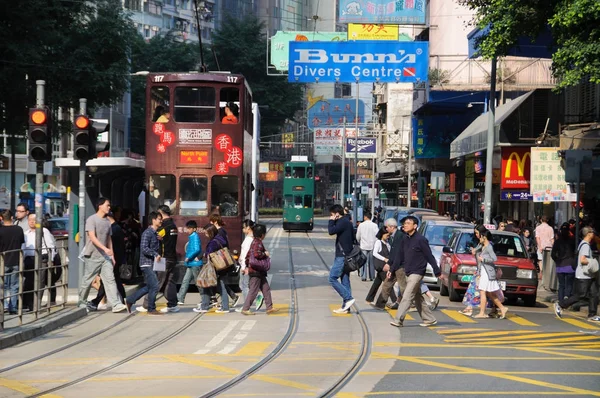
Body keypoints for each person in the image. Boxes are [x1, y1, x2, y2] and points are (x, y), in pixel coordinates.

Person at [389, 216, 441, 327]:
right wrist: (392, 269)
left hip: (417, 272)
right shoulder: (405, 239)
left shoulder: (421, 240)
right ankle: (429, 319)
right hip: (408, 271)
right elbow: (399, 256)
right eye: (404, 223)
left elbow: (429, 256)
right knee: (417, 297)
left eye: (408, 223)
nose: (405, 225)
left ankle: (398, 320)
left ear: (415, 226)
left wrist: (437, 271)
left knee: (407, 295)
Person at [78, 198, 126, 313]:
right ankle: (82, 301)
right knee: (88, 280)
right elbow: (92, 237)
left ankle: (116, 304)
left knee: (110, 279)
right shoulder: (91, 220)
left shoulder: (107, 222)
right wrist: (105, 248)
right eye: (107, 205)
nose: (109, 208)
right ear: (100, 205)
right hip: (92, 255)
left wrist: (112, 255)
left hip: (105, 257)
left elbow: (109, 239)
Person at [555, 227, 600, 322]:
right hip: (583, 275)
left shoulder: (584, 244)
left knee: (594, 294)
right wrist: (593, 262)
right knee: (581, 295)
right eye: (592, 232)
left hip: (589, 275)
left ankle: (592, 314)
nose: (594, 234)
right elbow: (583, 260)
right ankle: (561, 305)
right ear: (589, 234)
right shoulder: (585, 246)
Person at [139, 205, 179, 313]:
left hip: (163, 258)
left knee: (156, 282)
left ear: (161, 213)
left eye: (159, 215)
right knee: (169, 282)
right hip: (172, 257)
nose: (159, 219)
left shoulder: (163, 227)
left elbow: (155, 237)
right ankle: (173, 304)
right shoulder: (174, 226)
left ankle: (147, 304)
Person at [126, 211, 163, 315]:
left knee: (150, 286)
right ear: (153, 220)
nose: (161, 221)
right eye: (159, 219)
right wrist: (155, 254)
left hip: (153, 263)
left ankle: (130, 300)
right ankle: (151, 308)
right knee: (155, 286)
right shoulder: (147, 233)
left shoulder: (155, 233)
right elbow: (144, 248)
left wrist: (160, 240)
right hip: (147, 263)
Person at [90, 212, 127, 310]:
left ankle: (95, 302)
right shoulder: (117, 228)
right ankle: (123, 300)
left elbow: (110, 244)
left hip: (112, 258)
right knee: (113, 281)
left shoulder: (112, 229)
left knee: (108, 281)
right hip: (116, 258)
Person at [240, 224, 280, 315]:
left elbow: (248, 256)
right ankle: (245, 308)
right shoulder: (257, 242)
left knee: (266, 288)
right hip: (256, 271)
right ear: (262, 234)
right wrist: (265, 254)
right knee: (253, 290)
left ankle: (269, 307)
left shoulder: (255, 241)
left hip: (258, 271)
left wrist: (246, 265)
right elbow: (257, 255)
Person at [22, 214, 56, 310]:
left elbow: (51, 246)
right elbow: (23, 248)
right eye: (30, 220)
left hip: (42, 258)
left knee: (40, 281)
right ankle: (29, 304)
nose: (32, 222)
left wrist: (51, 259)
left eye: (34, 220)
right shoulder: (25, 233)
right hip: (29, 259)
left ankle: (37, 303)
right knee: (28, 282)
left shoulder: (44, 231)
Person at [473, 230, 509, 319]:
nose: (479, 238)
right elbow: (476, 250)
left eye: (480, 236)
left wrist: (484, 260)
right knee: (489, 293)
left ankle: (482, 313)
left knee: (482, 291)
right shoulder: (484, 246)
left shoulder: (489, 247)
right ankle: (502, 308)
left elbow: (494, 258)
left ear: (484, 237)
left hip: (487, 272)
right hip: (485, 271)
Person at [328, 204, 356, 313]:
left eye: (332, 214)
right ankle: (346, 307)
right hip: (347, 255)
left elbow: (331, 231)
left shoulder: (342, 222)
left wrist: (331, 221)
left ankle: (348, 298)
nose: (331, 216)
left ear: (337, 214)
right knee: (345, 280)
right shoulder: (347, 222)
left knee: (332, 278)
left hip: (342, 256)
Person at [209, 214, 240, 307]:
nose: (210, 224)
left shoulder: (219, 232)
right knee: (219, 281)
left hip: (220, 260)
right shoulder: (222, 231)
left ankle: (219, 300)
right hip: (221, 260)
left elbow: (222, 246)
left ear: (215, 222)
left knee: (219, 281)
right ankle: (229, 297)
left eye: (211, 222)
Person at [372, 218, 403, 310]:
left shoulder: (399, 236)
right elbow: (393, 252)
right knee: (387, 284)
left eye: (387, 227)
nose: (386, 229)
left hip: (400, 266)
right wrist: (389, 264)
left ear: (391, 227)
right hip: (394, 265)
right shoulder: (394, 236)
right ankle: (379, 305)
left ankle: (411, 304)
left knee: (404, 288)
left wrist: (391, 265)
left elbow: (398, 252)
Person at [458, 224, 488, 316]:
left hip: (482, 271)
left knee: (478, 291)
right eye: (475, 233)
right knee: (473, 290)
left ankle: (473, 309)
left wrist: (474, 250)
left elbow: (481, 254)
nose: (476, 235)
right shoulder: (480, 243)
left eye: (477, 233)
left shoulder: (485, 243)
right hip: (479, 270)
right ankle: (469, 308)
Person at [0, 210, 25, 314]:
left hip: (2, 261)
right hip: (16, 260)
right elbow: (22, 243)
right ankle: (13, 307)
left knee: (4, 285)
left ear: (1, 218)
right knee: (14, 286)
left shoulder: (0, 230)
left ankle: (5, 306)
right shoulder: (19, 229)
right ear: (11, 218)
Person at [178, 220, 206, 308]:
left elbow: (197, 249)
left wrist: (188, 257)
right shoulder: (192, 236)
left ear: (194, 229)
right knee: (185, 280)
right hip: (191, 263)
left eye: (189, 228)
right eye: (187, 228)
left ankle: (205, 299)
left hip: (195, 263)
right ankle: (180, 299)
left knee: (198, 282)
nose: (188, 230)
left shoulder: (195, 237)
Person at [204, 224, 232, 313]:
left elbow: (209, 254)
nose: (205, 235)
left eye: (206, 233)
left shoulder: (213, 242)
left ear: (210, 232)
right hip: (224, 266)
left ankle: (225, 307)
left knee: (221, 286)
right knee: (221, 286)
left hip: (218, 267)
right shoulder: (221, 239)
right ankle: (224, 306)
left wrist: (205, 254)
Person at [237, 219, 264, 311]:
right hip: (246, 265)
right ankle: (252, 300)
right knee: (244, 285)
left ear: (248, 228)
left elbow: (246, 254)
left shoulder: (249, 239)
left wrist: (244, 267)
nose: (242, 229)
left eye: (243, 228)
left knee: (244, 286)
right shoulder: (251, 238)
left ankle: (247, 305)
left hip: (246, 266)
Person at [366, 226, 393, 306]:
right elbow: (374, 253)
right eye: (387, 235)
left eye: (389, 235)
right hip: (381, 266)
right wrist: (384, 259)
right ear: (382, 234)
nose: (388, 236)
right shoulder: (378, 242)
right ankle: (394, 300)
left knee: (377, 283)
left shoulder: (387, 243)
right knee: (388, 283)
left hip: (385, 266)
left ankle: (369, 299)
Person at [551, 223, 576, 301]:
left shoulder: (558, 242)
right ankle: (567, 296)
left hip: (560, 265)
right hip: (570, 265)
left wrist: (557, 260)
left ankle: (561, 300)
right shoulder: (572, 241)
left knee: (561, 285)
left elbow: (553, 254)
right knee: (569, 284)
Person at [356, 211, 379, 281]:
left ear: (365, 217)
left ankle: (364, 276)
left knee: (363, 262)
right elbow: (377, 236)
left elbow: (358, 236)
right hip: (372, 245)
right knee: (371, 262)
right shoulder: (375, 225)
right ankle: (372, 276)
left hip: (363, 246)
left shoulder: (361, 225)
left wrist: (358, 241)